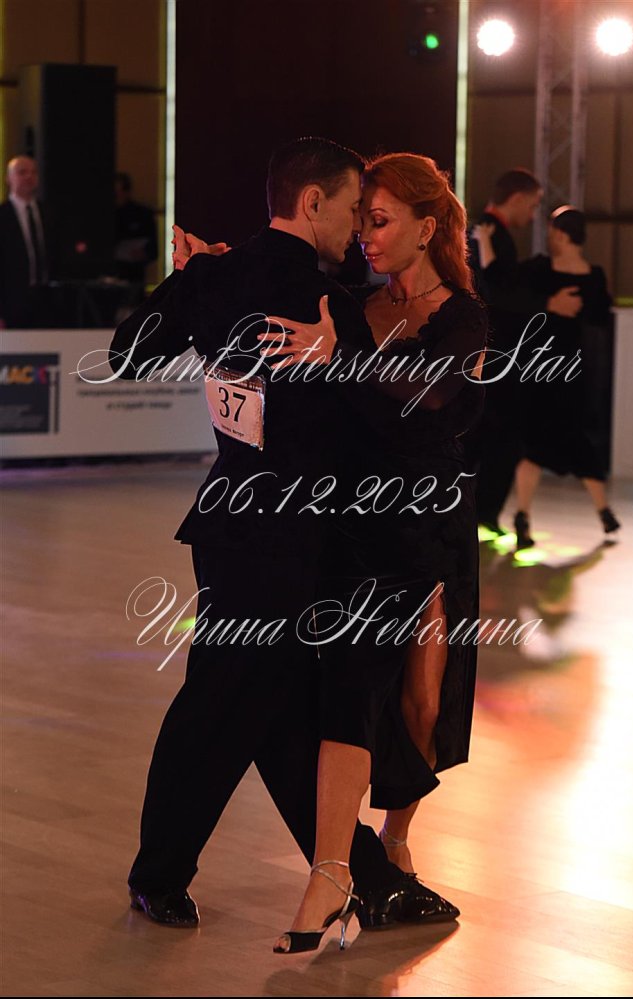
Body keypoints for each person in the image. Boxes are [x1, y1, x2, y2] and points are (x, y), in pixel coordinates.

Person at [108, 137, 456, 939]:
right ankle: (163, 874)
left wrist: (193, 279)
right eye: (350, 210)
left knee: (274, 710)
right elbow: (380, 431)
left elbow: (129, 352)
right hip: (295, 541)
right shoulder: (325, 302)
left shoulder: (217, 278)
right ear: (312, 203)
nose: (355, 229)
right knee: (229, 705)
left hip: (229, 525)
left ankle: (359, 877)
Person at [258, 153, 487, 954]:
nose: (365, 236)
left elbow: (427, 392)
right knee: (350, 690)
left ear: (428, 227)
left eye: (380, 221)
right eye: (361, 221)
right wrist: (214, 262)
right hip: (356, 528)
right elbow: (279, 300)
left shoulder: (463, 319)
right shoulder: (352, 307)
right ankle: (330, 870)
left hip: (429, 530)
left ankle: (393, 838)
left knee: (422, 702)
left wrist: (342, 358)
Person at [468, 168, 582, 537]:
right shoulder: (491, 234)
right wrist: (549, 303)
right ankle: (481, 513)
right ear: (517, 199)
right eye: (533, 206)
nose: (533, 216)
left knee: (493, 435)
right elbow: (495, 293)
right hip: (496, 357)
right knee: (503, 436)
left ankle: (479, 513)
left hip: (491, 355)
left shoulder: (486, 232)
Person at [508, 206, 620, 547]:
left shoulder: (539, 270)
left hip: (543, 367)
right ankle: (603, 511)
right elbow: (600, 317)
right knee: (572, 440)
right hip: (569, 368)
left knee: (538, 445)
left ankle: (523, 515)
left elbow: (508, 295)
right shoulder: (592, 277)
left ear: (559, 234)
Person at [0, 156, 53, 328]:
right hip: (11, 302)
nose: (29, 177)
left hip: (46, 300)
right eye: (22, 172)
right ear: (9, 178)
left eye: (33, 172)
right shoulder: (3, 215)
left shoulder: (47, 213)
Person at [114, 172, 158, 285]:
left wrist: (144, 252)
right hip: (107, 273)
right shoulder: (103, 216)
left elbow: (153, 248)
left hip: (134, 275)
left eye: (119, 192)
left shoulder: (142, 214)